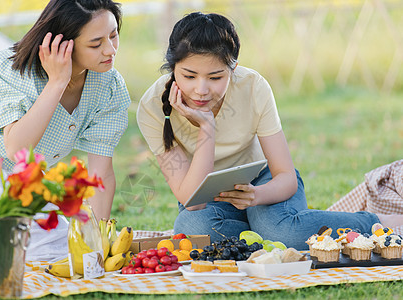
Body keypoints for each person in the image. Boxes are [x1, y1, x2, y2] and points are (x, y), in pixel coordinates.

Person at [136, 12, 403, 250]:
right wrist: (207, 127)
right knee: (193, 231)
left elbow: (285, 177)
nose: (202, 89)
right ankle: (282, 232)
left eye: (215, 77)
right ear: (173, 69)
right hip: (208, 200)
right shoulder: (151, 107)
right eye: (189, 76)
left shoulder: (254, 87)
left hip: (263, 183)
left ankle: (379, 222)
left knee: (278, 229)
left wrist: (256, 196)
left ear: (233, 69)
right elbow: (192, 202)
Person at [0, 0, 130, 260]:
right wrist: (57, 82)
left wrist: (98, 240)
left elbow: (100, 171)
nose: (110, 49)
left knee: (52, 251)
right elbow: (17, 149)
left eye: (114, 35)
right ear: (62, 44)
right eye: (96, 44)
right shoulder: (12, 66)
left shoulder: (110, 86)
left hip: (23, 177)